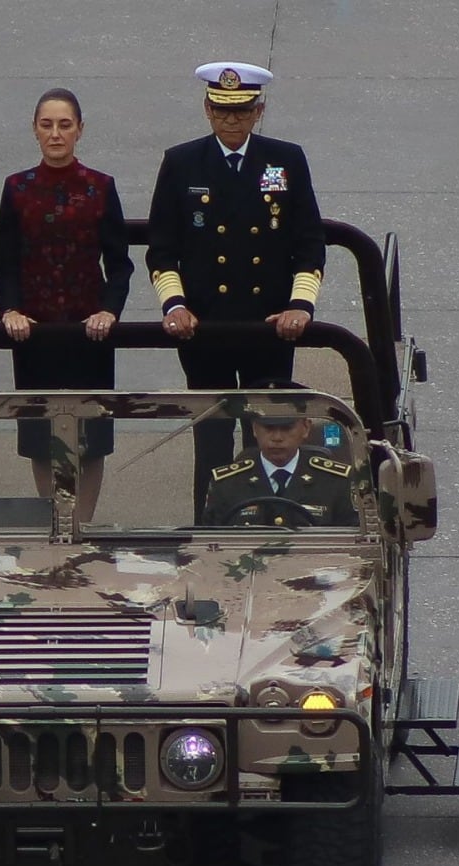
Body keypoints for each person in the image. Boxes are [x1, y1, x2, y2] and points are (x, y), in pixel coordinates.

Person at [146, 61, 326, 523]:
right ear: (207, 109)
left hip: (269, 329)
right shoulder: (182, 162)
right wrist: (175, 304)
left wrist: (300, 305)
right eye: (223, 111)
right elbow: (162, 251)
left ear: (258, 110)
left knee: (268, 433)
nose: (232, 121)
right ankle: (209, 530)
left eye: (242, 111)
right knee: (211, 437)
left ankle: (270, 526)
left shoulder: (286, 160)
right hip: (206, 330)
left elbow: (309, 245)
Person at [0, 87, 133, 523]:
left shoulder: (100, 187)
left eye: (65, 125)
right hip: (34, 333)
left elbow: (119, 263)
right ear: (35, 131)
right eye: (47, 125)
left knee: (90, 435)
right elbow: (6, 261)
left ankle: (84, 526)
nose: (56, 134)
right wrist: (10, 310)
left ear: (80, 130)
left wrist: (109, 311)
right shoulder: (16, 188)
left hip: (88, 332)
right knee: (41, 435)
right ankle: (53, 521)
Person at [200, 383, 357, 527]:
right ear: (254, 428)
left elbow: (354, 545)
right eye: (268, 428)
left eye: (286, 428)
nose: (277, 438)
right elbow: (210, 546)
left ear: (305, 428)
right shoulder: (227, 484)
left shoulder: (336, 482)